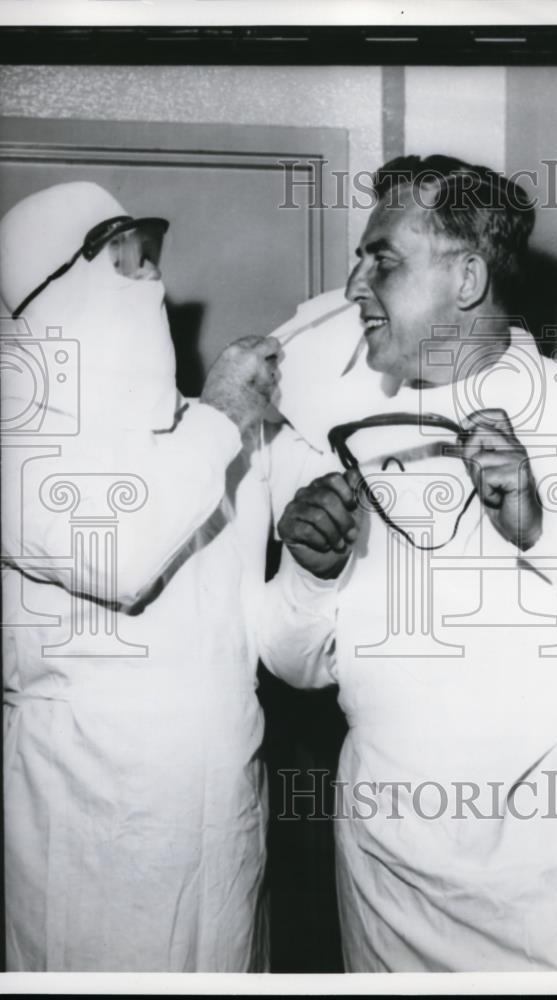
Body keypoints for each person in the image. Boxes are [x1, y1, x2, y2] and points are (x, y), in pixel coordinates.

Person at [250, 155, 557, 971]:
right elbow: (295, 666)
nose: (355, 287)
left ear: (467, 277)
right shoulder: (351, 439)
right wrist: (309, 570)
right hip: (384, 881)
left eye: (382, 261)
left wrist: (540, 528)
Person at [1, 182, 278, 972]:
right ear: (55, 290)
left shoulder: (211, 432)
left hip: (223, 806)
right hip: (87, 812)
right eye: (119, 257)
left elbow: (258, 627)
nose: (150, 277)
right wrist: (223, 417)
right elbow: (116, 554)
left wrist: (317, 563)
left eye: (147, 251)